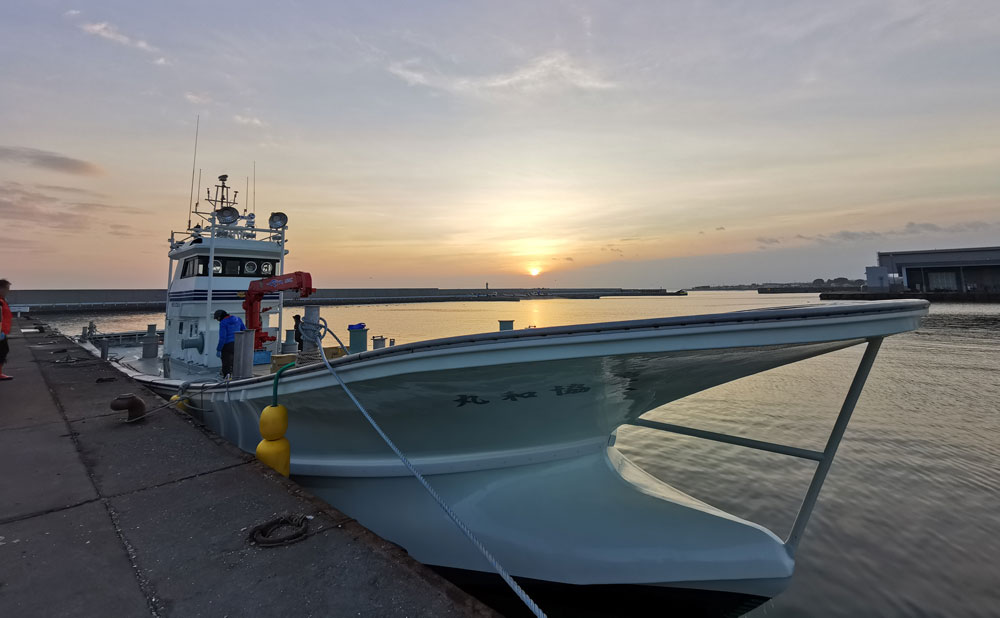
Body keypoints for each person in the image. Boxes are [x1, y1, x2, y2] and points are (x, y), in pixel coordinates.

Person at [214, 309, 246, 377]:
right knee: (236, 361)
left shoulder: (223, 323)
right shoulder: (238, 319)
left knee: (226, 363)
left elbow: (222, 338)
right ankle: (237, 376)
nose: (217, 320)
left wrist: (218, 349)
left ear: (220, 317)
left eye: (217, 318)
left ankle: (227, 377)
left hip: (227, 345)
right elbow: (244, 330)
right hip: (238, 344)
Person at [0, 279, 12, 381]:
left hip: (2, 330)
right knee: (2, 351)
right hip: (0, 331)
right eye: (7, 288)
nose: (8, 291)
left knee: (3, 350)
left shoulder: (2, 300)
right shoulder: (0, 301)